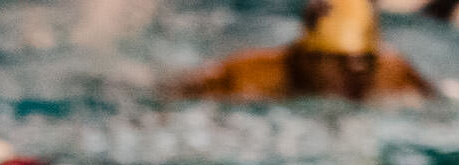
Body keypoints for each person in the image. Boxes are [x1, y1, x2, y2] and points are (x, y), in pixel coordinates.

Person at [166, 0, 437, 102]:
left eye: (367, 58)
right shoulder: (250, 75)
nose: (357, 70)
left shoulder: (391, 71)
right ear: (308, 58)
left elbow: (440, 101)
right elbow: (172, 96)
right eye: (341, 60)